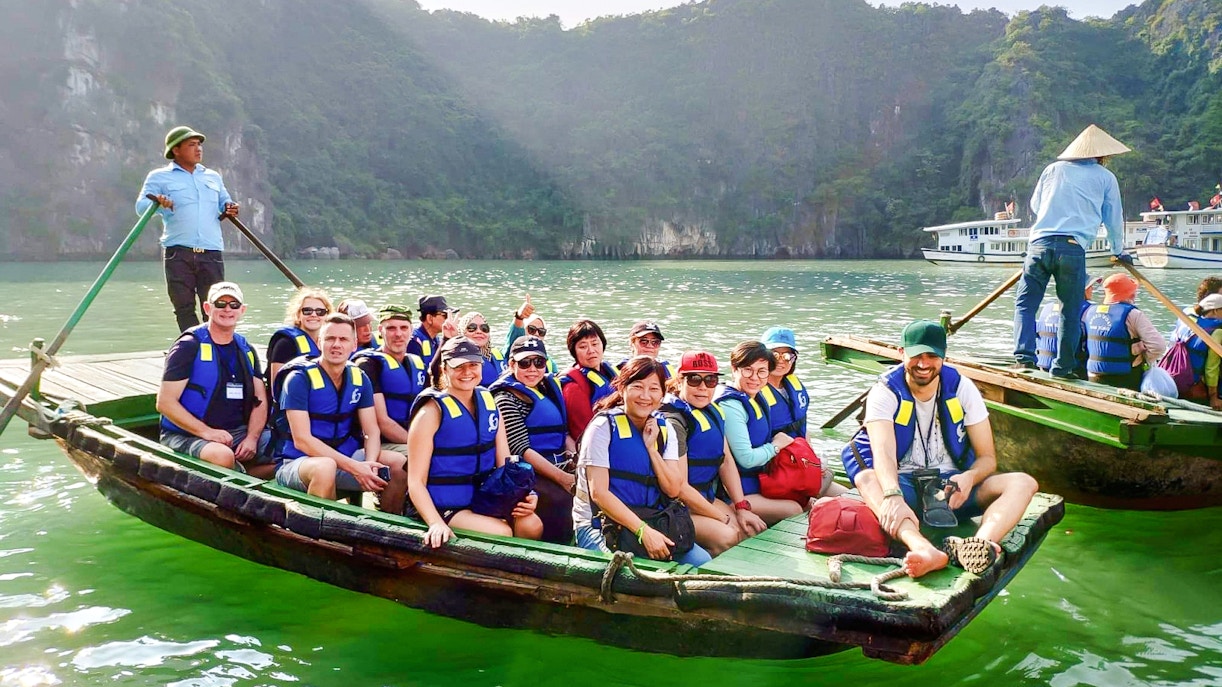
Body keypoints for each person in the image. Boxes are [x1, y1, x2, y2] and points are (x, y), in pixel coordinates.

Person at [842, 320, 1038, 578]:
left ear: (944, 357)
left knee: (1023, 482)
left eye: (932, 356)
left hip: (950, 489)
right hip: (905, 486)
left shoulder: (961, 388)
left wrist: (968, 478)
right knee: (867, 478)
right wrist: (893, 495)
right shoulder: (886, 391)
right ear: (902, 353)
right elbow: (884, 453)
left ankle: (980, 544)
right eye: (916, 356)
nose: (923, 364)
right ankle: (923, 548)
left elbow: (987, 458)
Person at [1013, 124, 1131, 379]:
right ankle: (1062, 368)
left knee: (1026, 304)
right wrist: (1118, 251)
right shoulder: (1105, 177)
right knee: (1070, 308)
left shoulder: (1052, 170)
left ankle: (1024, 359)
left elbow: (1035, 205)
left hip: (1039, 246)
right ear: (1101, 155)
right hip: (1072, 248)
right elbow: (1113, 217)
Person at [572, 357, 712, 566]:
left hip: (653, 519)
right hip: (600, 525)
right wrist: (643, 532)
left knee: (702, 561)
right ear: (622, 388)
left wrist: (651, 449)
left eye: (654, 389)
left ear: (662, 394)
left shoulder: (665, 429)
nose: (645, 396)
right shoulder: (603, 427)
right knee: (633, 572)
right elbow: (599, 493)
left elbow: (673, 489)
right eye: (637, 387)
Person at [406, 337, 543, 548]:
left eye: (473, 365)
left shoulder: (489, 402)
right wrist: (435, 523)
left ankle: (516, 575)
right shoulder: (430, 412)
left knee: (531, 524)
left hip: (483, 497)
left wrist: (528, 495)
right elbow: (415, 482)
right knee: (502, 531)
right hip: (444, 505)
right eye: (458, 366)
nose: (467, 372)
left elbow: (507, 464)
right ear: (444, 369)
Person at [273, 313, 407, 514]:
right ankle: (319, 531)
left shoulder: (359, 378)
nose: (336, 345)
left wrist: (369, 463)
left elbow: (371, 430)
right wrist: (355, 467)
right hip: (298, 464)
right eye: (330, 339)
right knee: (325, 467)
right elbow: (302, 440)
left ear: (354, 345)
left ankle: (387, 526)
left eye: (343, 339)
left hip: (346, 457)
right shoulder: (298, 379)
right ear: (319, 342)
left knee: (397, 464)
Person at [156, 282, 273, 478]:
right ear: (207, 308)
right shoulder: (188, 346)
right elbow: (165, 403)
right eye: (220, 303)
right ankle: (246, 479)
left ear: (242, 310)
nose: (227, 309)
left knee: (287, 446)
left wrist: (252, 438)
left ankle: (250, 477)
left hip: (238, 431)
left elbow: (260, 400)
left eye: (234, 305)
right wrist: (207, 432)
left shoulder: (246, 349)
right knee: (221, 456)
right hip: (188, 434)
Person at [661, 351, 767, 555]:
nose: (702, 387)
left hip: (705, 496)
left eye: (710, 380)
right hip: (677, 506)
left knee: (749, 530)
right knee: (728, 535)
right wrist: (722, 518)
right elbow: (681, 488)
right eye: (694, 379)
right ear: (680, 381)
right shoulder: (674, 422)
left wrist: (741, 507)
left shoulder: (714, 411)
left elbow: (725, 461)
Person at [137, 126, 240, 332]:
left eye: (199, 144)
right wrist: (158, 202)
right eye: (191, 145)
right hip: (178, 252)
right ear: (176, 150)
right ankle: (192, 347)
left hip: (211, 251)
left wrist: (231, 208)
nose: (198, 149)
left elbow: (225, 203)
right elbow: (141, 208)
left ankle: (215, 346)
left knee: (214, 306)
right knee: (183, 306)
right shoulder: (159, 177)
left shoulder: (213, 177)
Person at [490, 335, 576, 544]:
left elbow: (563, 434)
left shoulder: (546, 388)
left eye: (539, 363)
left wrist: (574, 458)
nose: (532, 369)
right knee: (561, 500)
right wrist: (563, 479)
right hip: (529, 472)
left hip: (560, 464)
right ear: (511, 364)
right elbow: (520, 448)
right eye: (524, 363)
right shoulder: (506, 398)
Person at [715, 341, 804, 525]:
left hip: (759, 482)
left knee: (808, 495)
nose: (754, 377)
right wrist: (775, 446)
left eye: (762, 371)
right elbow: (746, 459)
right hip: (735, 492)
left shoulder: (757, 397)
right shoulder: (731, 405)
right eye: (747, 370)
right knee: (794, 509)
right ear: (734, 369)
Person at [352, 304, 429, 454]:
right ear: (380, 331)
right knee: (425, 458)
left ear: (411, 331)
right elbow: (382, 421)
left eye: (404, 328)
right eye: (391, 328)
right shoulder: (368, 365)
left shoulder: (417, 364)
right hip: (378, 444)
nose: (398, 334)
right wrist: (419, 444)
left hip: (411, 438)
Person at [1083, 274, 1167, 389]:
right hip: (1125, 378)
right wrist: (1143, 358)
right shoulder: (1133, 314)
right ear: (1130, 294)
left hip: (1093, 376)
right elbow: (1158, 347)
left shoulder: (1090, 312)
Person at [559, 319, 621, 442]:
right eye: (583, 346)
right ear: (574, 352)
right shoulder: (573, 386)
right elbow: (583, 432)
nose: (591, 350)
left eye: (595, 344)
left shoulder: (609, 373)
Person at [1035, 275, 1103, 372]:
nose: (1092, 289)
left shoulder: (1047, 307)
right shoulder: (1089, 311)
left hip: (1043, 364)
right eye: (1089, 287)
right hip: (1072, 369)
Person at [267, 287, 332, 387]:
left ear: (327, 315)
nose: (314, 315)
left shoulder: (331, 343)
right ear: (298, 314)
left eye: (320, 312)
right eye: (307, 311)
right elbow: (276, 386)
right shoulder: (285, 344)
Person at [759, 327, 810, 438]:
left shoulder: (795, 386)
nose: (780, 360)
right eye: (774, 355)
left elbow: (803, 425)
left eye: (787, 356)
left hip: (799, 450)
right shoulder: (754, 390)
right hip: (773, 451)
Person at [503, 294, 558, 374]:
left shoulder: (550, 363)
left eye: (541, 331)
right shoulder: (512, 351)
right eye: (531, 329)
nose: (536, 334)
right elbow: (515, 333)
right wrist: (519, 317)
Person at [409, 294, 457, 373]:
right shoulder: (414, 342)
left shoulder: (437, 340)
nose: (449, 319)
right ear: (429, 318)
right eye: (445, 315)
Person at [457, 312, 506, 386]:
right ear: (462, 331)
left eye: (484, 328)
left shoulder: (495, 355)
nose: (479, 331)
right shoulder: (456, 359)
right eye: (472, 328)